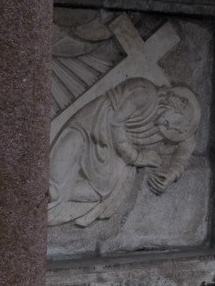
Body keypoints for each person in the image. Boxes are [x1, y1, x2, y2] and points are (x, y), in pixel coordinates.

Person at [48, 79, 201, 228]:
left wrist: (172, 173)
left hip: (106, 150)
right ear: (176, 109)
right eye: (175, 124)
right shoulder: (144, 94)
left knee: (100, 188)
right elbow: (116, 122)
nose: (171, 129)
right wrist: (135, 157)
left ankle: (58, 194)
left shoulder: (165, 123)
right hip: (88, 127)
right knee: (55, 173)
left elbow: (188, 145)